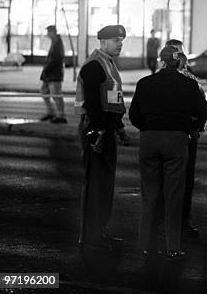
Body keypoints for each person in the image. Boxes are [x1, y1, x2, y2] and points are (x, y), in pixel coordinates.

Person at [130, 45, 207, 261]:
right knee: (174, 195)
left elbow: (134, 115)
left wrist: (147, 128)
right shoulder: (188, 85)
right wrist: (189, 124)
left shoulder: (145, 83)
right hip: (176, 140)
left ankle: (145, 245)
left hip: (149, 140)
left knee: (149, 194)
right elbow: (205, 111)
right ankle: (172, 246)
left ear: (161, 62)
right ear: (179, 63)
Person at [74, 25, 130, 250]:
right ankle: (89, 237)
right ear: (103, 41)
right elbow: (93, 104)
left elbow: (112, 101)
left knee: (105, 185)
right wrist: (96, 133)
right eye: (116, 40)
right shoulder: (95, 65)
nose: (120, 43)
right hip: (96, 131)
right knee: (95, 184)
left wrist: (118, 127)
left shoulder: (108, 64)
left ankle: (100, 232)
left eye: (122, 40)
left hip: (106, 131)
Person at [165, 39, 206, 236]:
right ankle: (170, 224)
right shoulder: (180, 80)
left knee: (186, 181)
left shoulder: (192, 79)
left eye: (180, 52)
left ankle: (182, 222)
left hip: (187, 136)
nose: (179, 57)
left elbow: (202, 108)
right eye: (174, 52)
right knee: (169, 182)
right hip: (176, 136)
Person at [40, 25, 67, 123]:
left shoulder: (58, 44)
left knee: (56, 94)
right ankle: (51, 112)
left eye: (48, 32)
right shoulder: (55, 42)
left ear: (53, 32)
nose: (47, 34)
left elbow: (55, 60)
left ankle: (61, 116)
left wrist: (46, 69)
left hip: (54, 74)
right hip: (49, 73)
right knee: (44, 92)